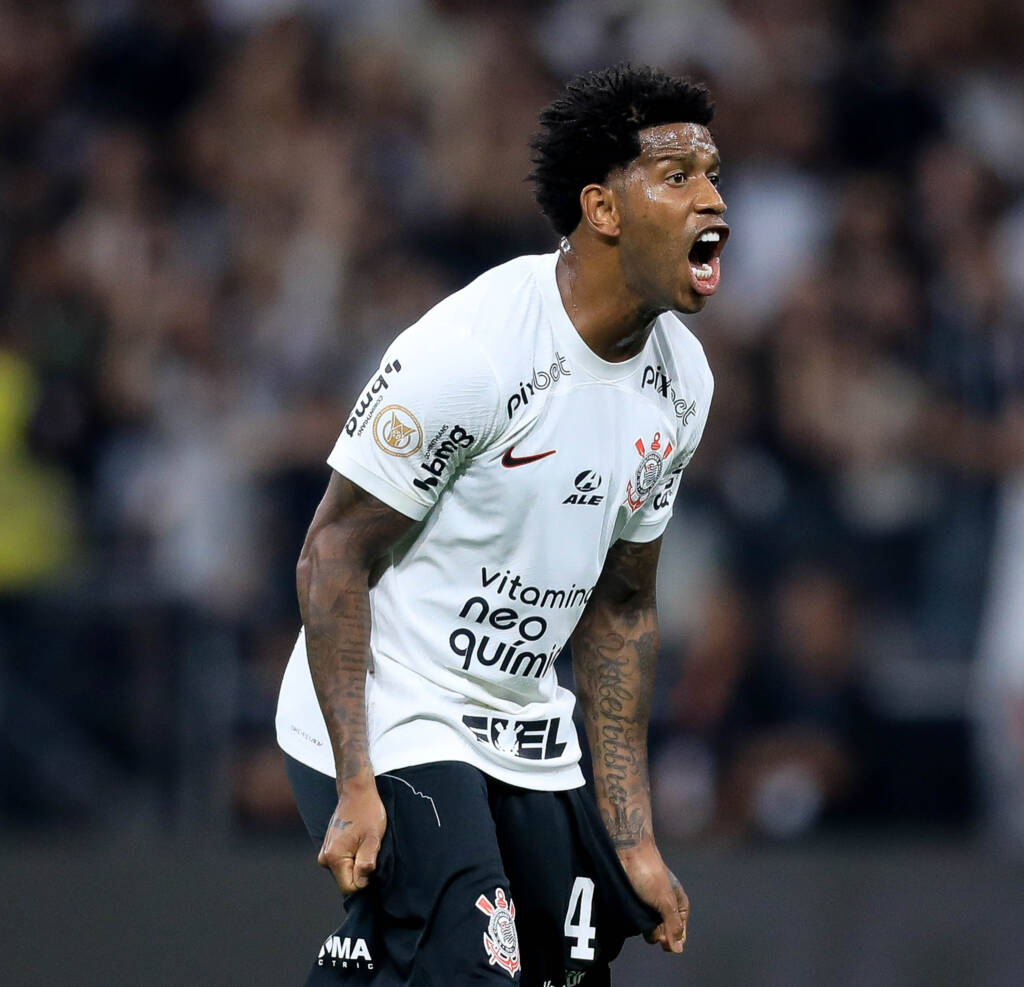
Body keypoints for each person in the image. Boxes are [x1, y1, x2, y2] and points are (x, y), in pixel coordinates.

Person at [275, 63, 728, 986]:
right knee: (476, 967)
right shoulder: (474, 353)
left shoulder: (684, 382)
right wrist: (356, 783)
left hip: (523, 723)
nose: (713, 200)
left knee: (562, 973)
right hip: (397, 705)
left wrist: (632, 837)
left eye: (712, 175)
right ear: (603, 209)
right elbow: (332, 552)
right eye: (677, 176)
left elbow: (622, 610)